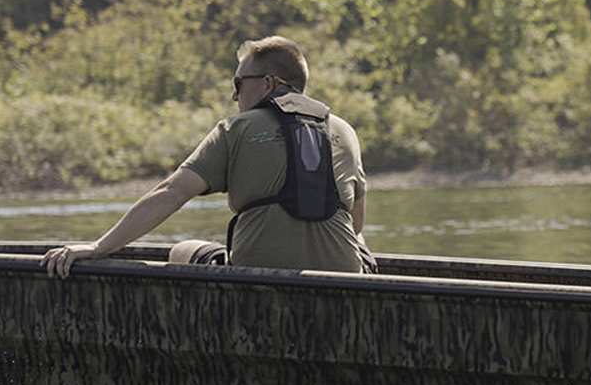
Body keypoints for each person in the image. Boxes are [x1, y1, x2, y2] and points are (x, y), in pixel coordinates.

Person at [42, 35, 371, 278]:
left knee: (183, 250)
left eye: (239, 83)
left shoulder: (235, 128)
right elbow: (356, 226)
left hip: (256, 281)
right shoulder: (344, 131)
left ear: (268, 83)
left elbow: (171, 193)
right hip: (343, 279)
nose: (234, 95)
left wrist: (98, 248)